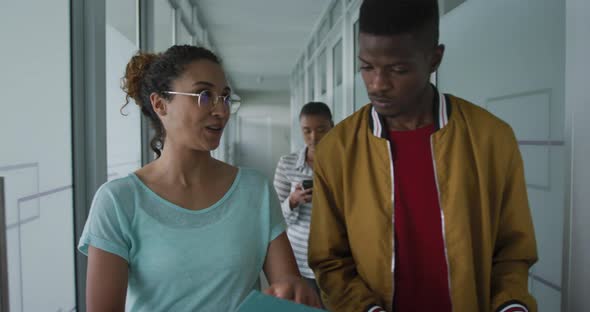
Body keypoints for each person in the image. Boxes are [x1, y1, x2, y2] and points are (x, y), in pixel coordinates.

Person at [307, 1, 538, 312]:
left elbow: (512, 250)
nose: (377, 84)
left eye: (398, 69)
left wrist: (511, 305)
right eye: (366, 67)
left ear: (434, 59)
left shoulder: (491, 139)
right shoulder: (337, 151)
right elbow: (330, 260)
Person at [78, 45, 320, 311]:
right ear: (160, 104)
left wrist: (295, 291)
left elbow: (288, 288)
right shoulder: (118, 201)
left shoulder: (255, 190)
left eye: (225, 98)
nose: (221, 110)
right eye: (204, 95)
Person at [273, 102, 334, 298]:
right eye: (307, 131)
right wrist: (292, 201)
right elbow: (274, 217)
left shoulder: (344, 163)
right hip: (299, 258)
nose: (313, 137)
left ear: (332, 127)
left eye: (321, 129)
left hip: (335, 258)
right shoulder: (287, 163)